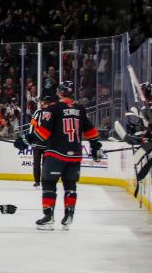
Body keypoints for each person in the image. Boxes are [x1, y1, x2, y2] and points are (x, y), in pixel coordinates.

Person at [29, 81, 101, 230]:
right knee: (70, 185)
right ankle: (69, 215)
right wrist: (95, 147)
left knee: (49, 184)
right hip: (75, 155)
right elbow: (91, 132)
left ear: (60, 92)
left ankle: (48, 217)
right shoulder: (80, 109)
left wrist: (25, 140)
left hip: (56, 154)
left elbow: (43, 132)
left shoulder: (53, 108)